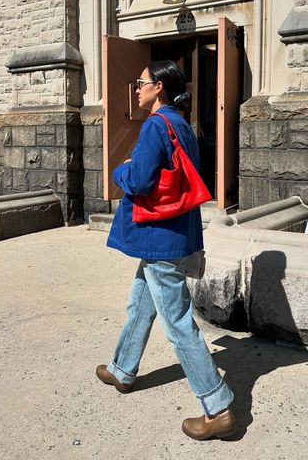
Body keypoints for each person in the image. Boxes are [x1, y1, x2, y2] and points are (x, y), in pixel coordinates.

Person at [96, 60, 236, 441]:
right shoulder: (183, 127)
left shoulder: (157, 125)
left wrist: (120, 170)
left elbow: (140, 180)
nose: (136, 89)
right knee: (140, 302)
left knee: (178, 324)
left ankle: (216, 406)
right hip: (175, 235)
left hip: (160, 238)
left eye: (140, 83)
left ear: (159, 87)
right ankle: (123, 369)